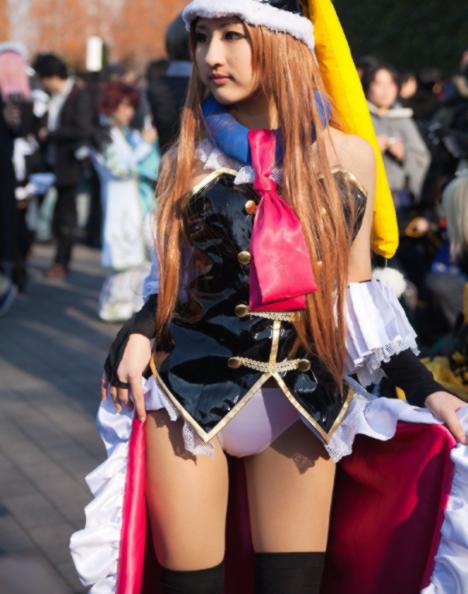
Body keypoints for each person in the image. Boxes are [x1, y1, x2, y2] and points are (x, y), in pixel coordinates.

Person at [71, 2, 468, 594]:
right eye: (202, 37)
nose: (211, 56)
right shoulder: (187, 157)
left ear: (284, 42)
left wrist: (427, 388)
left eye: (233, 35)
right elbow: (175, 281)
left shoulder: (350, 157)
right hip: (187, 401)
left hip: (304, 402)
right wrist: (136, 330)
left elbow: (357, 294)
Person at [92, 81, 160, 322]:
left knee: (140, 257)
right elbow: (119, 169)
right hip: (119, 202)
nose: (128, 112)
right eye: (124, 106)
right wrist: (144, 146)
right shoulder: (103, 135)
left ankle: (133, 305)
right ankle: (113, 306)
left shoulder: (125, 133)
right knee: (124, 257)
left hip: (137, 201)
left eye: (131, 106)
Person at [33, 53, 93, 279]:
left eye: (44, 78)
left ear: (52, 76)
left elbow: (83, 129)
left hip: (69, 165)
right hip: (48, 163)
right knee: (48, 213)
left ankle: (61, 262)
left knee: (66, 217)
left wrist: (51, 134)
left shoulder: (79, 95)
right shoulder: (49, 97)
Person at [363, 64, 431, 211]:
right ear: (368, 87)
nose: (385, 90)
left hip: (397, 199)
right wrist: (369, 149)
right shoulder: (360, 118)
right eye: (379, 83)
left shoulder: (404, 119)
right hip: (365, 195)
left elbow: (422, 156)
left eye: (390, 84)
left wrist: (404, 154)